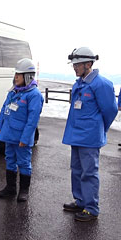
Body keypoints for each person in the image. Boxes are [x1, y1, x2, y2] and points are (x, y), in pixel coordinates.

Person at [62, 47, 117, 222]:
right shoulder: (79, 83)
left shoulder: (101, 84)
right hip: (76, 135)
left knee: (89, 172)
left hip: (89, 138)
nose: (75, 68)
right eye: (74, 65)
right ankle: (80, 201)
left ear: (88, 64)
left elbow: (110, 110)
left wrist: (100, 129)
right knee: (76, 170)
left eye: (77, 65)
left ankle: (91, 208)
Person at [0, 58, 44, 202]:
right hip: (9, 133)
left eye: (19, 74)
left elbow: (32, 121)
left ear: (28, 76)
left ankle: (24, 190)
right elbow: (3, 110)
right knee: (9, 159)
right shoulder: (13, 92)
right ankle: (10, 188)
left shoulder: (34, 95)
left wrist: (25, 138)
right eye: (15, 74)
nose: (15, 77)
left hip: (22, 136)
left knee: (23, 162)